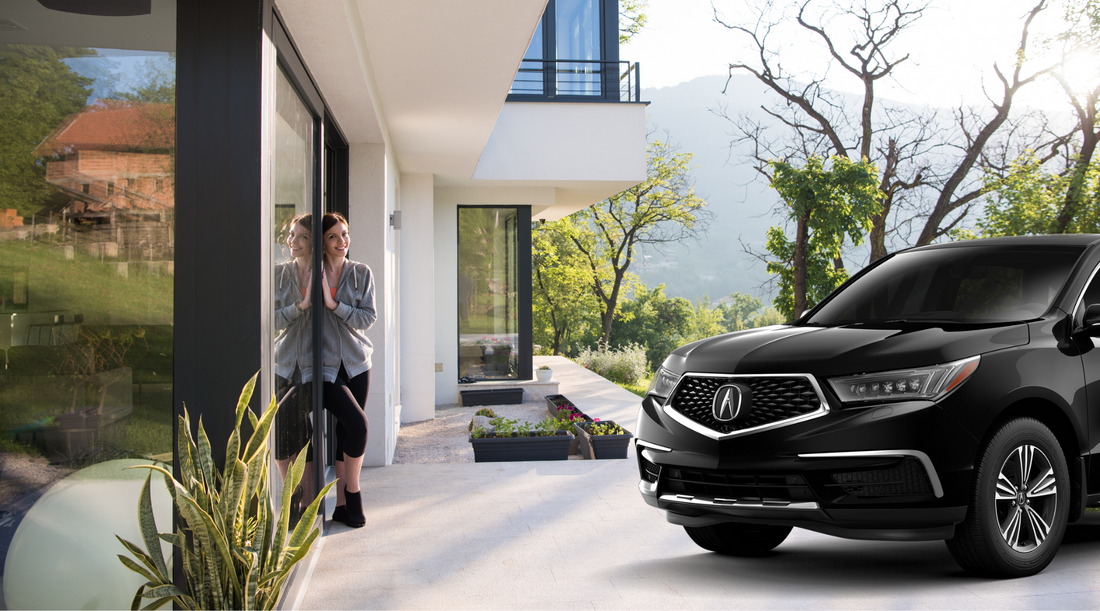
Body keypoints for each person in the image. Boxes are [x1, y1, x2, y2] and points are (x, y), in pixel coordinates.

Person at [318, 212, 375, 528]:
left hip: (357, 363)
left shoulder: (361, 273)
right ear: (323, 243)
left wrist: (334, 305)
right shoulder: (312, 275)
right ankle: (353, 494)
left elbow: (367, 318)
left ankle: (341, 506)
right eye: (333, 237)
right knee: (359, 425)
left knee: (346, 432)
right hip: (325, 368)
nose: (342, 242)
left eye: (345, 234)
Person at [273, 213, 316, 521]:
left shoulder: (327, 274)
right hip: (284, 362)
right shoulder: (279, 274)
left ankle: (307, 495)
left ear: (312, 240)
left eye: (301, 236)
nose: (293, 241)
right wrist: (297, 308)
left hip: (315, 366)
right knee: (281, 430)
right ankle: (293, 492)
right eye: (291, 235)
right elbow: (269, 318)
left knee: (297, 424)